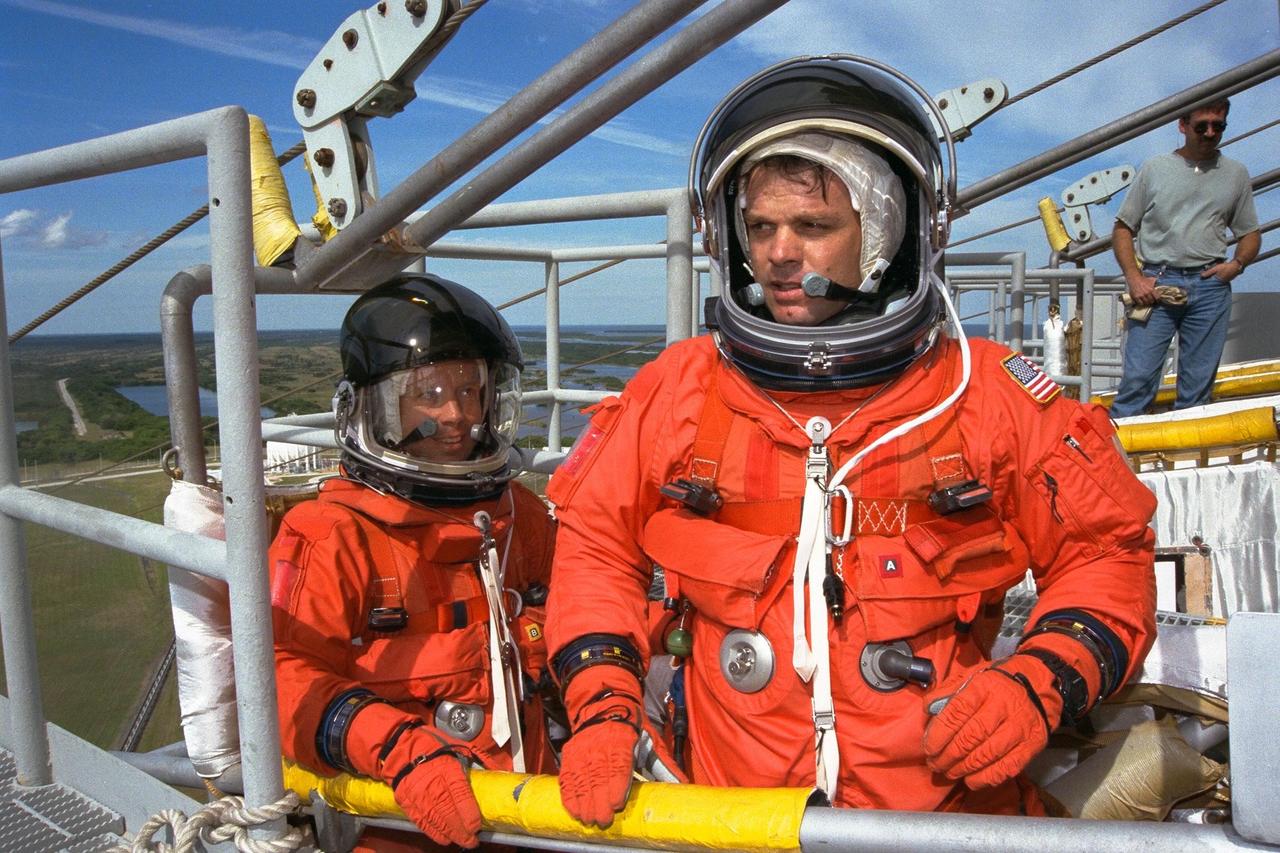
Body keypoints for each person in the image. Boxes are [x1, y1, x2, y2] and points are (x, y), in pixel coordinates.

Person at [544, 56, 1157, 823]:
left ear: (887, 234)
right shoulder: (680, 389)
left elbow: (1105, 551)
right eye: (760, 227)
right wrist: (603, 704)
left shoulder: (983, 390)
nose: (778, 253)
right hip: (733, 816)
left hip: (940, 813)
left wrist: (1042, 679)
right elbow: (596, 547)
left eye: (813, 227)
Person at [269, 273, 556, 851]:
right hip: (398, 821)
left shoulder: (518, 515)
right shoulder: (330, 535)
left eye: (469, 391)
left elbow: (583, 615)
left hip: (535, 807)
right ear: (376, 407)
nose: (454, 415)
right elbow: (280, 678)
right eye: (428, 393)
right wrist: (398, 747)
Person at [1109, 98, 1261, 417]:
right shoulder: (1155, 169)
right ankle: (1114, 460)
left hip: (1210, 288)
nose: (1209, 133)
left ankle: (1181, 463)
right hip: (1157, 286)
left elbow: (1249, 233)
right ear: (1182, 126)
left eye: (1217, 126)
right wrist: (1134, 278)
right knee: (1137, 380)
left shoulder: (1235, 174)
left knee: (1197, 389)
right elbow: (1123, 228)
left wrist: (1236, 265)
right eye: (1201, 126)